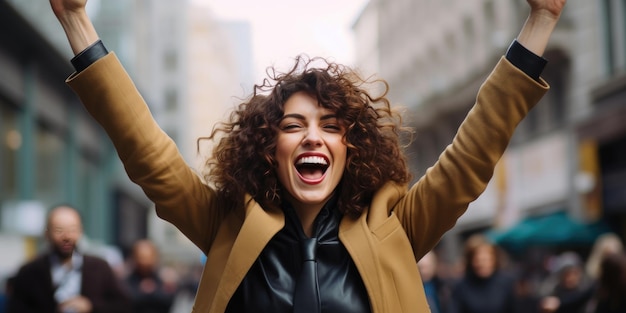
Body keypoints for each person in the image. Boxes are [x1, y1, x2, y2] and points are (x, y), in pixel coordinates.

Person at [46, 0, 566, 311]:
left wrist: (541, 19)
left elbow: (470, 155)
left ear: (350, 148)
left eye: (330, 127)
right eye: (293, 126)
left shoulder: (398, 227)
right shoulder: (226, 224)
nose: (313, 137)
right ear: (269, 150)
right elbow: (149, 154)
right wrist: (75, 20)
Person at [6, 205, 131, 313]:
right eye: (59, 230)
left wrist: (92, 306)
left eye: (72, 230)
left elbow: (123, 305)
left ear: (81, 232)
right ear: (47, 234)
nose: (66, 237)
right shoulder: (30, 271)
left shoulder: (99, 267)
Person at [448, 235, 517, 313]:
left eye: (485, 259)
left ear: (494, 259)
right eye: (477, 260)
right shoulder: (461, 287)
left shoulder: (506, 282)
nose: (481, 264)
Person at [124, 239, 178, 313]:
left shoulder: (163, 280)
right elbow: (126, 300)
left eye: (149, 257)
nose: (145, 262)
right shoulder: (126, 282)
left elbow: (168, 301)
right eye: (142, 257)